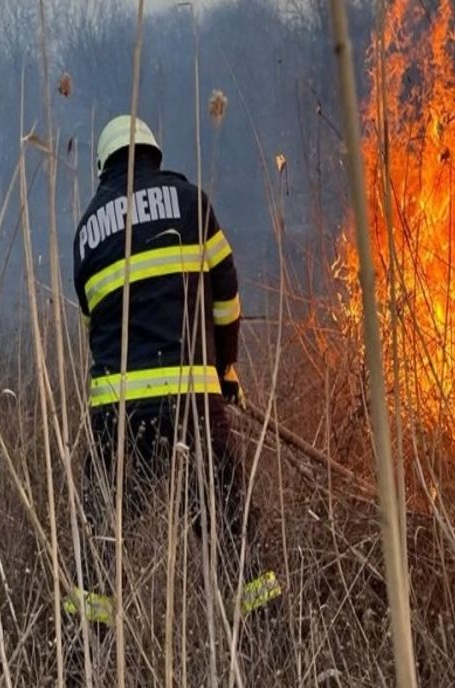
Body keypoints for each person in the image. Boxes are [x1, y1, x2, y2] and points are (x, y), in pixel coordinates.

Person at [67, 115, 280, 625]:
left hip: (118, 414)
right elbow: (226, 300)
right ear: (153, 154)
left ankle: (83, 650)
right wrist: (225, 371)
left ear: (103, 166)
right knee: (229, 525)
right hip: (193, 406)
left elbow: (94, 329)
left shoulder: (85, 234)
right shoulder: (191, 204)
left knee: (101, 539)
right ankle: (265, 634)